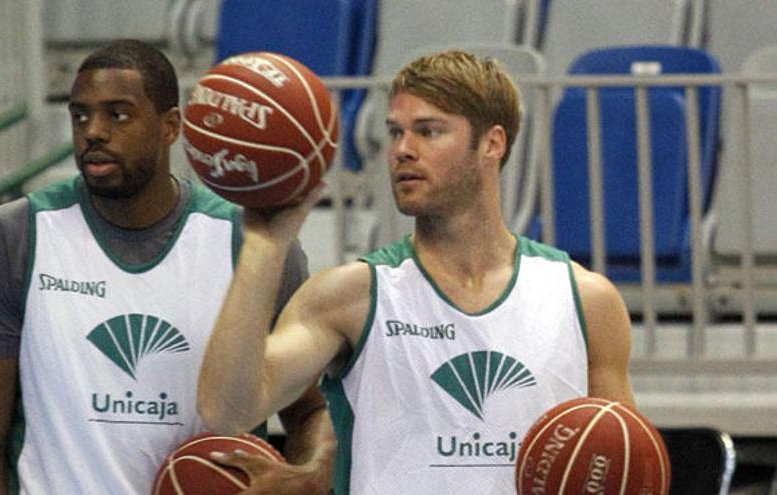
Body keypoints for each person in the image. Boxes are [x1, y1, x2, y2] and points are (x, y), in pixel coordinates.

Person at [197, 50, 635, 494]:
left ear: (492, 143)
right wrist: (264, 247)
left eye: (428, 131)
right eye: (395, 132)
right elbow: (227, 410)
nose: (402, 150)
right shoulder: (350, 295)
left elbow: (625, 464)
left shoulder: (585, 299)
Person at [0, 39, 335, 494]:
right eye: (80, 114)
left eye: (119, 114)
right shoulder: (17, 235)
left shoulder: (249, 243)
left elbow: (309, 410)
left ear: (170, 127)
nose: (93, 130)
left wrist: (308, 475)